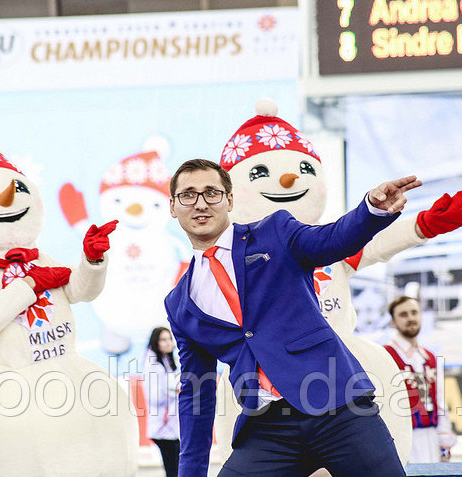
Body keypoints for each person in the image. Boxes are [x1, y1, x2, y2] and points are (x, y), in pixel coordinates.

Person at [164, 158, 421, 477]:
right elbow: (196, 392)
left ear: (229, 200)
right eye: (188, 195)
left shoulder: (274, 232)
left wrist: (371, 210)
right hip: (267, 429)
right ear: (173, 206)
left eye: (211, 193)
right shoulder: (179, 303)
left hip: (338, 407)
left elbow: (330, 240)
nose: (200, 203)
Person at [384, 295, 456, 463]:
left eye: (414, 312)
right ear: (392, 322)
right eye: (403, 314)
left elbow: (439, 401)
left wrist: (444, 443)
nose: (410, 318)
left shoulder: (428, 357)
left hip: (431, 437)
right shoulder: (385, 355)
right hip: (402, 439)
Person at [143, 326, 181, 477]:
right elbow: (154, 397)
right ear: (155, 343)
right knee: (173, 470)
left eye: (169, 339)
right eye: (163, 340)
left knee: (176, 469)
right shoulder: (153, 366)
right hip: (162, 427)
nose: (168, 343)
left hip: (173, 427)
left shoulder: (170, 361)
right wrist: (174, 390)